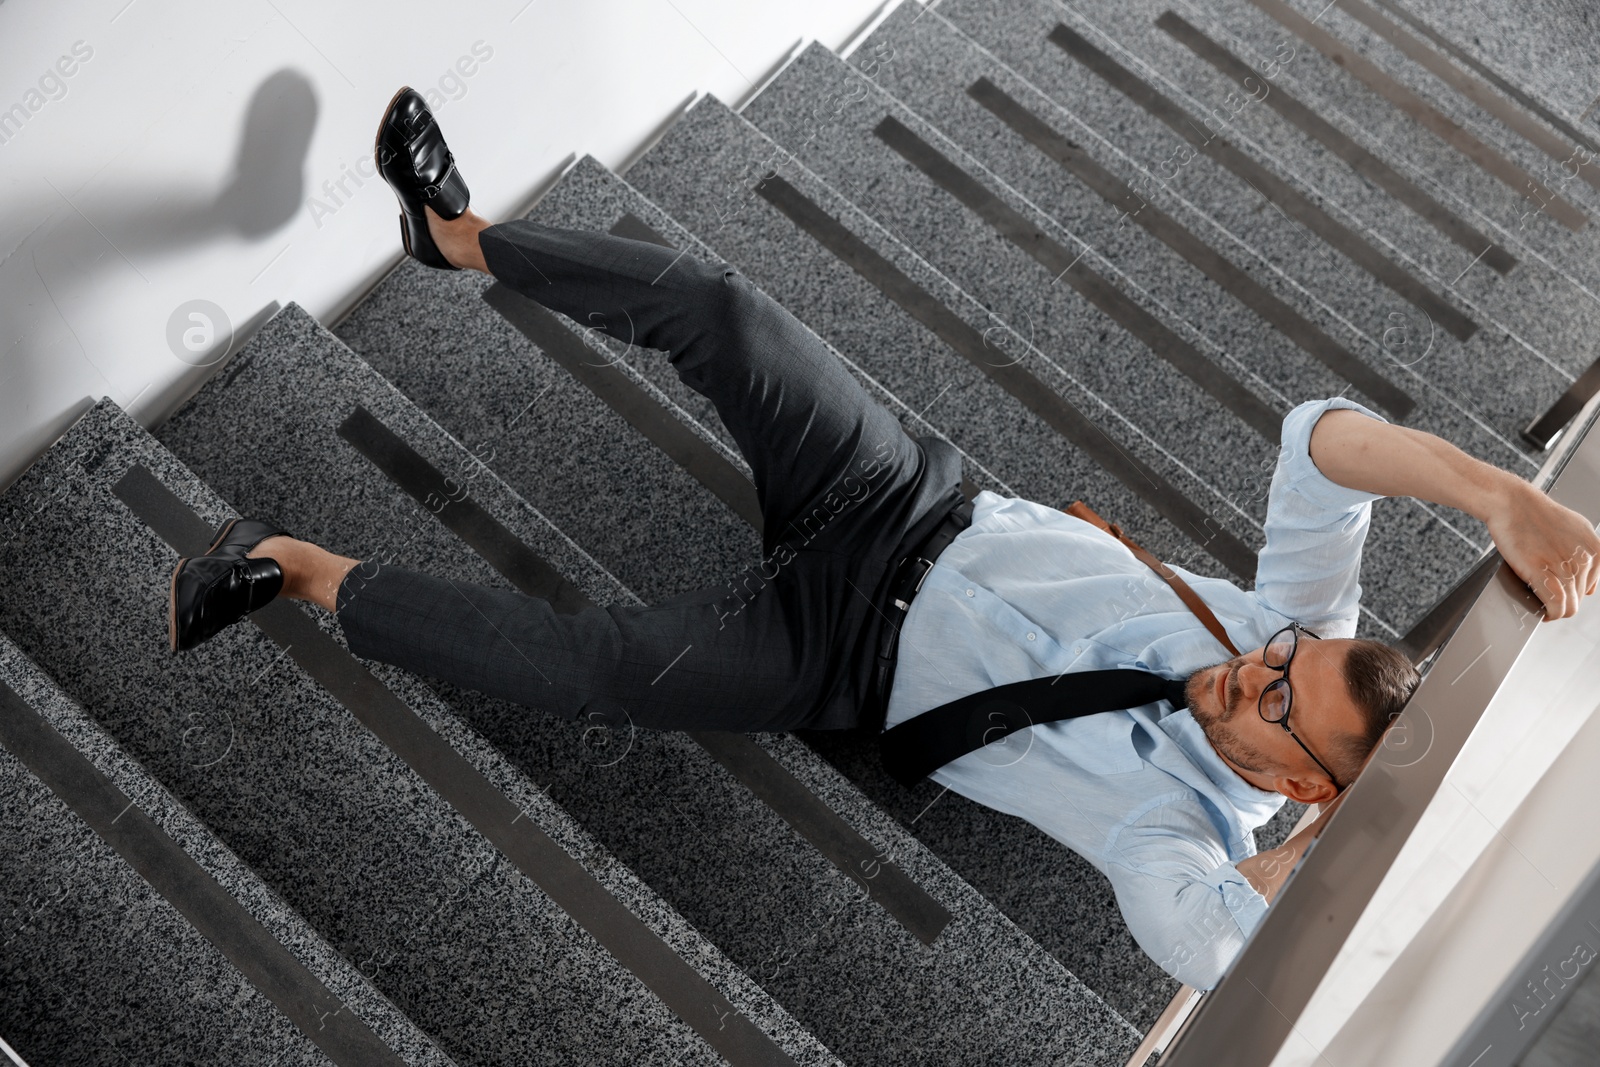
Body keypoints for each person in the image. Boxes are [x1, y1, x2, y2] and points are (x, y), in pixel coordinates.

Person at [167, 88, 1600, 989]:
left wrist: (1310, 873)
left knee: (606, 672)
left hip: (839, 660)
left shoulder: (1184, 842)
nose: (1254, 672)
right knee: (726, 314)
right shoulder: (1302, 629)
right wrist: (1497, 495)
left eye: (1278, 707)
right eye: (1284, 656)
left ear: (1308, 784)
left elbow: (1216, 954)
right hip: (911, 496)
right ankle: (455, 235)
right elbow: (1317, 440)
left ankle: (291, 566)